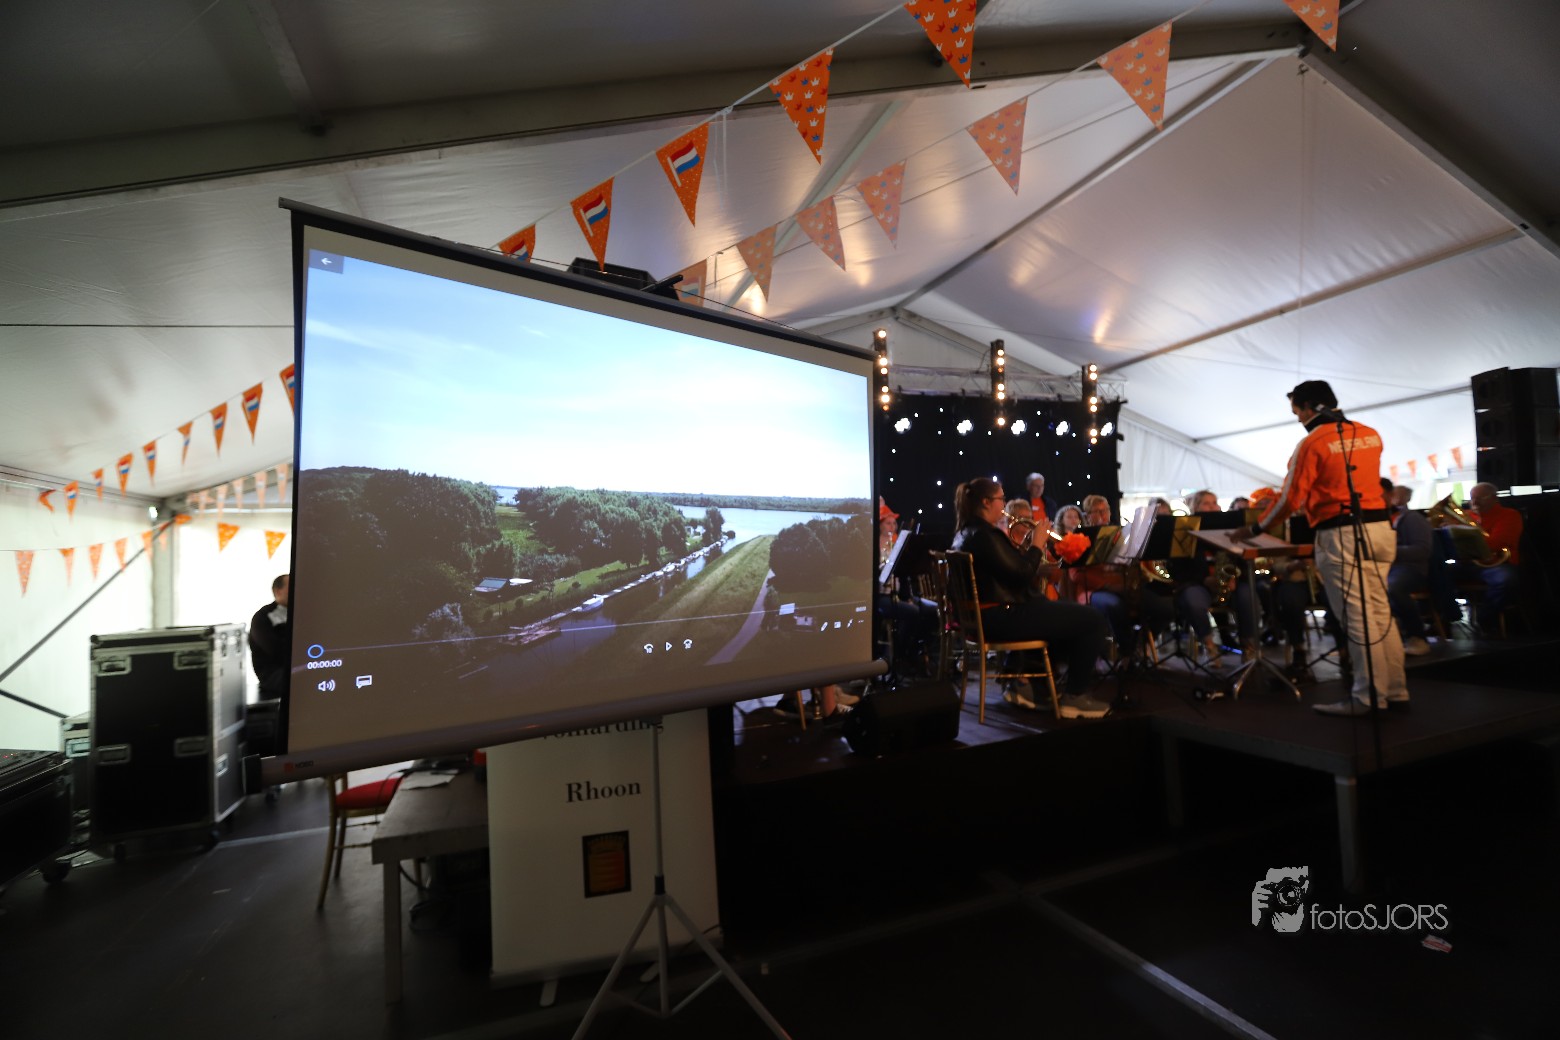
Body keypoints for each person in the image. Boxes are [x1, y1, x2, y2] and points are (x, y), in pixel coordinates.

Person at [1244, 380, 1407, 715]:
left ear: (1309, 408)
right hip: (1380, 529)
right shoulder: (1370, 434)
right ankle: (1395, 690)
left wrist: (1256, 527)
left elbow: (1290, 498)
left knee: (1356, 617)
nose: (1297, 418)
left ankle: (1367, 697)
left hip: (1340, 532)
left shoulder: (1312, 443)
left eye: (1297, 411)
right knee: (1380, 611)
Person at [951, 476, 1111, 719]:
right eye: (1000, 499)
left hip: (988, 617)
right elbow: (1021, 575)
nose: (1003, 504)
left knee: (1065, 613)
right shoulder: (984, 535)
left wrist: (1028, 551)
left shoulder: (966, 533)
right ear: (986, 502)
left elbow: (1010, 571)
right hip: (1000, 616)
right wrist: (1037, 544)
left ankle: (1031, 686)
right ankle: (1075, 697)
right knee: (1093, 620)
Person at [1465, 482, 1523, 626]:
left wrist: (1470, 536)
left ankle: (1484, 620)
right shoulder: (1467, 516)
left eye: (1480, 498)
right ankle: (1442, 621)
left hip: (1498, 564)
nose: (1475, 502)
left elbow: (1497, 543)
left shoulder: (1509, 515)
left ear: (1494, 498)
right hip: (1468, 564)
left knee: (1505, 581)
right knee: (1434, 574)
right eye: (1472, 498)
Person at [1385, 485, 1433, 654]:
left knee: (1394, 588)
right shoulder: (1383, 519)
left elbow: (1423, 550)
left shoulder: (1412, 518)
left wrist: (1389, 551)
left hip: (1411, 568)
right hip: (1390, 568)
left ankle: (1417, 636)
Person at [249, 574, 291, 701]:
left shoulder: (303, 614)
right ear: (278, 591)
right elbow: (275, 650)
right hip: (272, 673)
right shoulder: (262, 617)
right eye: (291, 586)